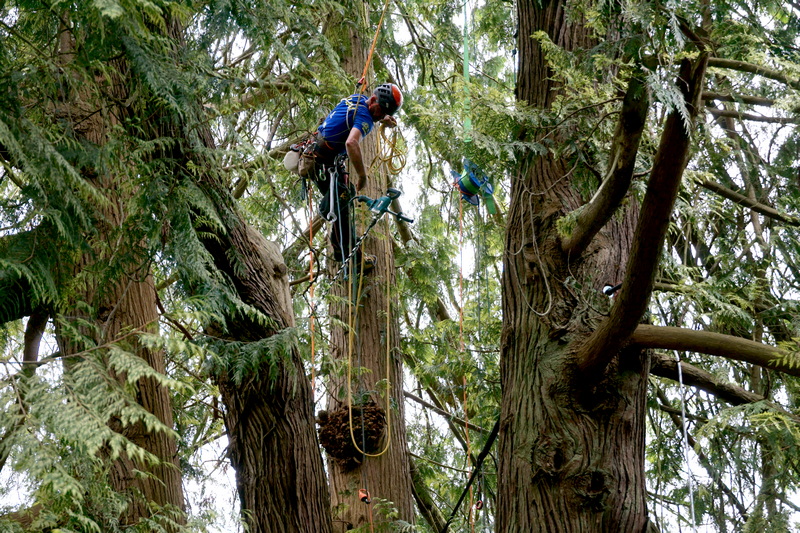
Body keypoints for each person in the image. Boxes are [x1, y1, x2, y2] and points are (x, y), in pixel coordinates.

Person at [289, 83, 403, 272]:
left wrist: (383, 119)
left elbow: (364, 114)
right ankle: (350, 256)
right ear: (373, 100)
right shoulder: (366, 118)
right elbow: (351, 143)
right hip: (323, 162)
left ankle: (344, 249)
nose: (380, 117)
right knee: (342, 200)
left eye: (383, 114)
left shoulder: (356, 99)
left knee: (345, 197)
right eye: (380, 112)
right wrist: (363, 175)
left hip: (321, 156)